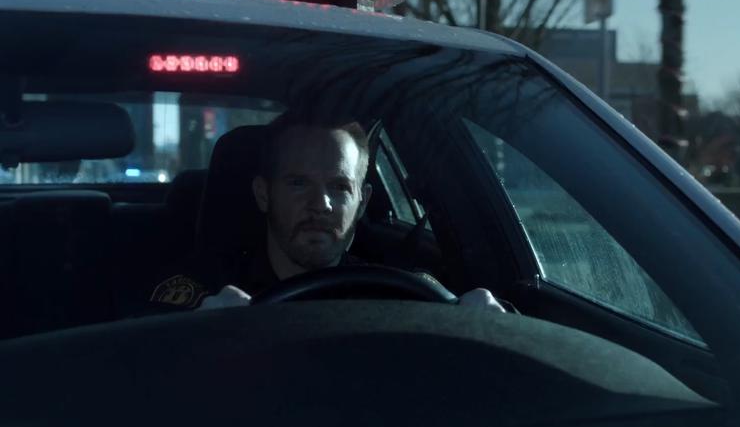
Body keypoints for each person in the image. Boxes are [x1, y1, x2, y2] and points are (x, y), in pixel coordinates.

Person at [147, 116, 503, 312]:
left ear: (362, 202)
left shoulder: (403, 294)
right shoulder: (204, 292)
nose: (322, 205)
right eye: (299, 183)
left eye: (338, 187)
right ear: (263, 194)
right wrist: (196, 336)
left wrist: (488, 324)